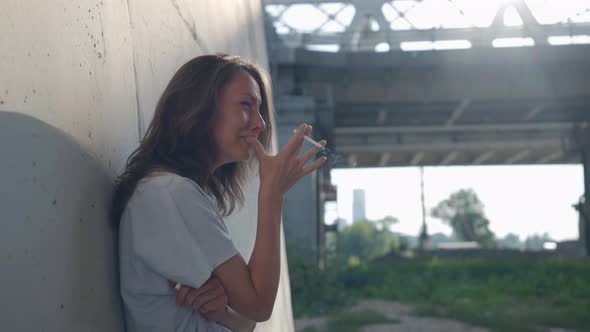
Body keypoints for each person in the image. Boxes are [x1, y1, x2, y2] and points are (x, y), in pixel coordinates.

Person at [111, 54, 327, 332]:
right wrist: (272, 195)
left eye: (259, 109)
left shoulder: (176, 192)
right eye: (246, 105)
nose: (260, 124)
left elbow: (248, 319)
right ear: (200, 108)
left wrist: (223, 308)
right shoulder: (171, 193)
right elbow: (259, 305)